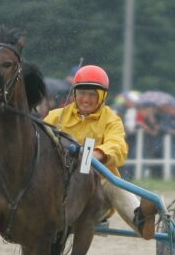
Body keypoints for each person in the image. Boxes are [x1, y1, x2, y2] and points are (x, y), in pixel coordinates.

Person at [44, 64, 158, 240]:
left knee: (116, 185)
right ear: (74, 94)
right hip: (58, 189)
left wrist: (97, 155)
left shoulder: (111, 119)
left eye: (92, 94)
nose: (86, 99)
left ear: (102, 96)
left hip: (95, 192)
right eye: (82, 93)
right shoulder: (55, 117)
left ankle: (142, 221)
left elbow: (118, 146)